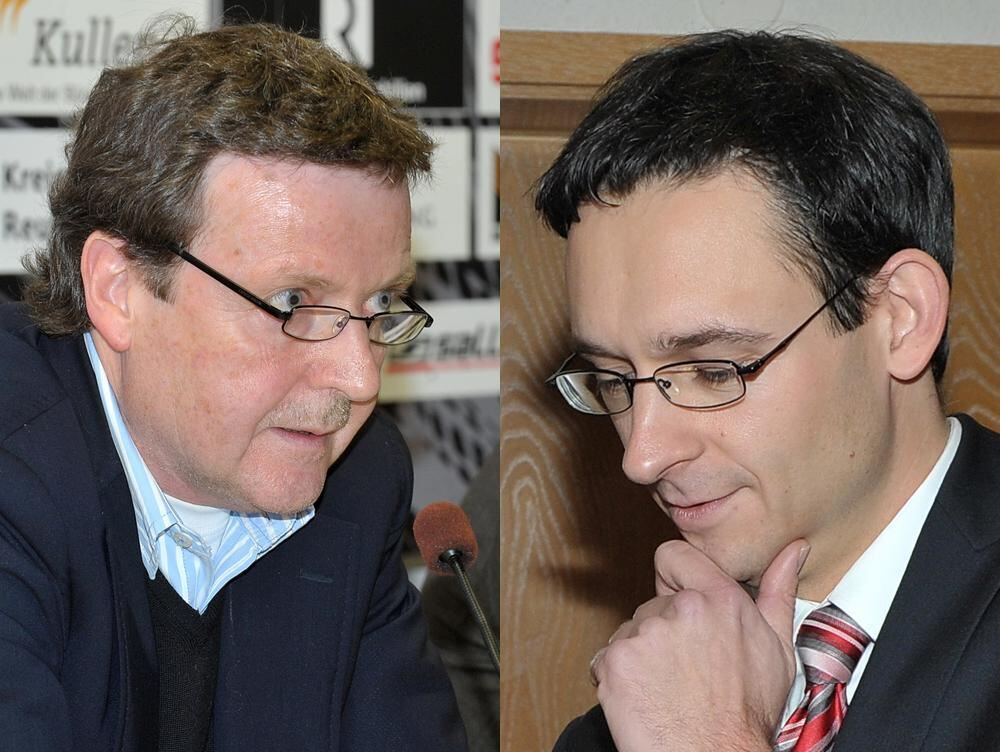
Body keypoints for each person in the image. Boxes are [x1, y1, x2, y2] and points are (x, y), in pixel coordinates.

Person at [0, 18, 467, 752]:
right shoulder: (15, 476)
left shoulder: (358, 479)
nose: (358, 378)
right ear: (120, 290)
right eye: (292, 303)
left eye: (380, 304)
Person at [535, 30, 1000, 752]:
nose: (641, 456)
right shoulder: (628, 719)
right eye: (614, 380)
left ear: (900, 318)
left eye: (714, 371)